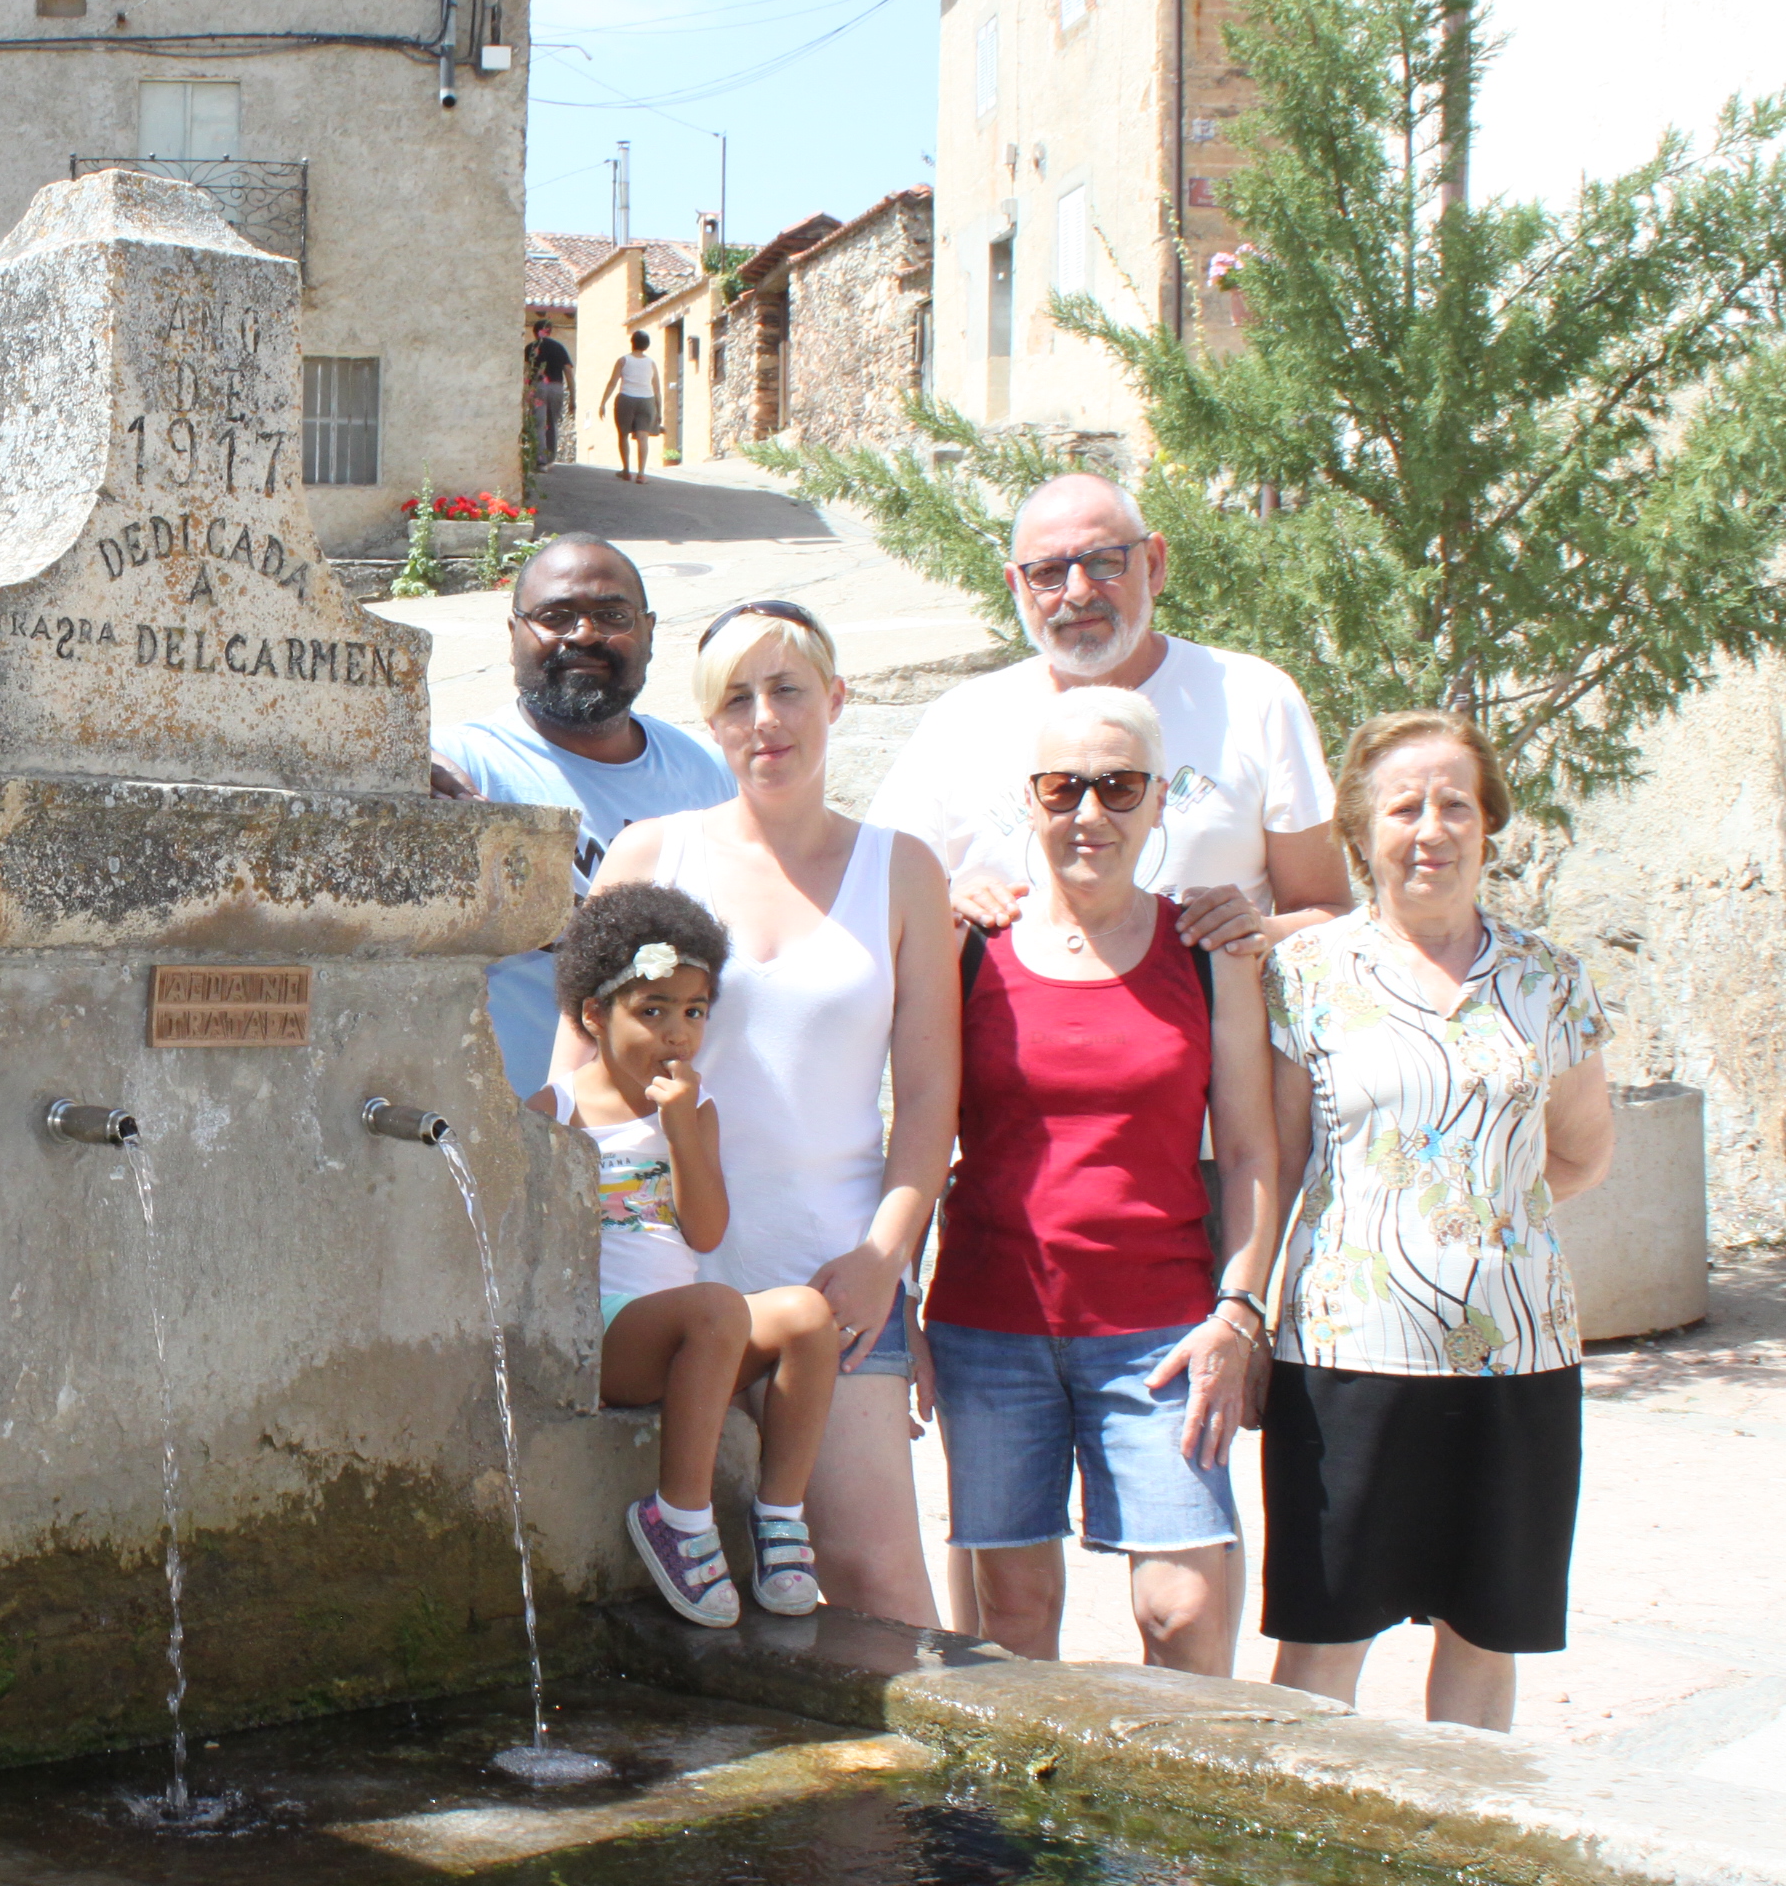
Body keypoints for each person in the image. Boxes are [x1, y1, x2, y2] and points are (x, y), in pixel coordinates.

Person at [567, 599, 959, 1628]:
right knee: (674, 1605)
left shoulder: (903, 870)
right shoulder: (650, 854)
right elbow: (578, 1070)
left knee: (876, 1578)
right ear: (711, 722)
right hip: (665, 1281)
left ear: (836, 698)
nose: (765, 719)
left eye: (787, 689)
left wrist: (882, 1259)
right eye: (737, 699)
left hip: (833, 1281)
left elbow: (929, 1097)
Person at [1260, 711, 1613, 1733]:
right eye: (1403, 807)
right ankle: (1298, 1826)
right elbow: (1274, 1166)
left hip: (1519, 1357)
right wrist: (1242, 1314)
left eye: (1456, 804)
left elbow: (1582, 1153)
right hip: (1347, 1356)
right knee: (1323, 1639)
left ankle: (1456, 1831)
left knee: (1487, 1636)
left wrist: (1474, 1219)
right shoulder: (1305, 975)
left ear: (1488, 823)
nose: (1431, 829)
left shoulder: (1548, 980)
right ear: (1359, 831)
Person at [923, 687, 1282, 1676]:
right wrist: (900, 1301)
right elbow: (918, 1135)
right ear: (1028, 800)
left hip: (1160, 1332)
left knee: (1183, 1609)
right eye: (1063, 787)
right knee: (1014, 1609)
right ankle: (1018, 1786)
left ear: (1161, 800)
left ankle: (1190, 1778)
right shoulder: (969, 947)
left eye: (1120, 787)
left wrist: (1240, 1310)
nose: (1090, 813)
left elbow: (1251, 1154)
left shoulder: (1208, 954)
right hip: (990, 1325)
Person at [867, 472, 1352, 957]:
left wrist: (1258, 931)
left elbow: (1328, 911)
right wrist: (941, 912)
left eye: (1103, 562)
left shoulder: (1254, 699)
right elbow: (873, 902)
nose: (1078, 592)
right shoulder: (959, 723)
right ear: (1017, 586)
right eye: (1047, 572)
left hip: (1211, 1006)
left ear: (1154, 564)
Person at [536, 883, 842, 1629]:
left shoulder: (694, 1112)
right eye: (653, 1011)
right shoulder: (555, 1110)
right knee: (715, 1308)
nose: (677, 1033)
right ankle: (677, 1518)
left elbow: (705, 1232)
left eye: (694, 1011)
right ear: (593, 1015)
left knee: (807, 1314)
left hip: (691, 1335)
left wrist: (679, 1133)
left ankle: (779, 1515)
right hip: (604, 1338)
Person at [430, 537, 734, 1093]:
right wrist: (405, 765)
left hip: (673, 1124)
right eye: (556, 616)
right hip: (512, 1122)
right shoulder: (461, 771)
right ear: (514, 633)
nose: (585, 634)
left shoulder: (708, 775)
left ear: (649, 632)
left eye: (612, 615)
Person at [594, 332, 662, 484]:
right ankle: (641, 474)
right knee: (643, 438)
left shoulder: (623, 360)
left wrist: (603, 402)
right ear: (647, 345)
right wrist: (659, 409)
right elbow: (657, 389)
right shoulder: (651, 363)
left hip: (626, 399)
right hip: (647, 400)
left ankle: (626, 470)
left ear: (632, 342)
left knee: (623, 434)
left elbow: (612, 382)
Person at [524, 317, 574, 462]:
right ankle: (551, 459)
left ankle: (541, 459)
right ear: (549, 332)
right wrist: (572, 397)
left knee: (539, 424)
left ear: (535, 332)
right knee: (553, 423)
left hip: (538, 387)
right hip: (557, 387)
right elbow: (568, 372)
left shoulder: (530, 348)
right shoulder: (560, 348)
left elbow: (526, 371)